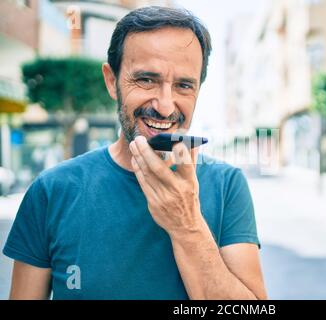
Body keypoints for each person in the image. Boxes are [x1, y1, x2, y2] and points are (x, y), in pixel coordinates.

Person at [3, 6, 267, 300]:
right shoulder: (51, 191)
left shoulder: (227, 186)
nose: (166, 106)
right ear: (112, 80)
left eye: (183, 85)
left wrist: (187, 224)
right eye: (146, 80)